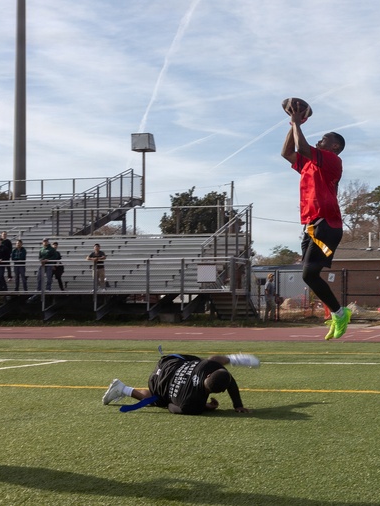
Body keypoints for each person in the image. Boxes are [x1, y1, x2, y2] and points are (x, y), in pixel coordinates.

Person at [280, 99, 352, 340]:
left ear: (335, 146)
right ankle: (337, 312)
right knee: (309, 275)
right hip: (311, 225)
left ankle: (340, 313)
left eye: (324, 139)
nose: (320, 140)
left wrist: (298, 124)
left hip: (328, 224)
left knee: (309, 274)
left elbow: (301, 147)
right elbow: (287, 152)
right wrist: (293, 123)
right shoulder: (310, 164)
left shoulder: (332, 161)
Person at [101, 353, 259, 415]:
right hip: (156, 383)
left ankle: (232, 359)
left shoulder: (207, 367)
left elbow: (226, 377)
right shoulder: (192, 406)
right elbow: (171, 406)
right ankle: (124, 389)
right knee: (160, 398)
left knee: (206, 360)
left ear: (210, 375)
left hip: (167, 362)